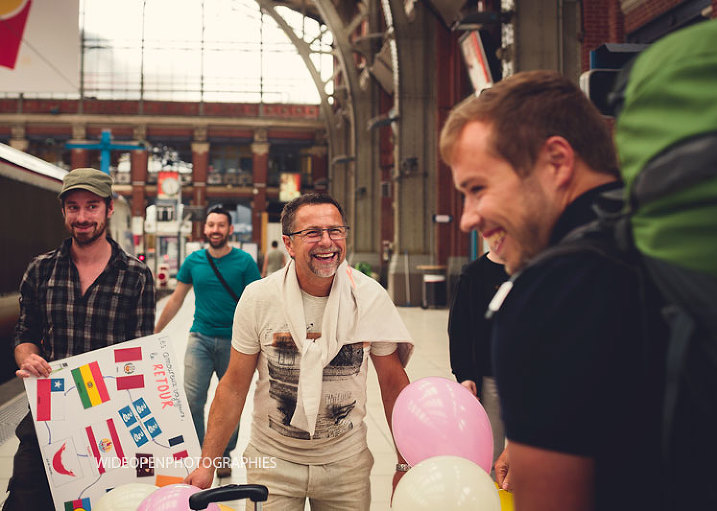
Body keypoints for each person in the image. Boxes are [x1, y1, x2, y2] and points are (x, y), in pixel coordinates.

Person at [440, 70, 665, 511]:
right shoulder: (664, 237)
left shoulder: (547, 295)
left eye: (478, 188)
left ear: (557, 162)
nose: (468, 217)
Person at [186, 193, 414, 511]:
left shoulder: (368, 297)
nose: (327, 242)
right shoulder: (259, 298)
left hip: (345, 465)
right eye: (313, 233)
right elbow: (234, 385)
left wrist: (405, 463)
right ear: (289, 244)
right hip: (272, 463)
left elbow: (393, 384)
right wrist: (207, 463)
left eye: (335, 231)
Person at [4, 167, 156, 510]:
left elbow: (139, 354)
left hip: (108, 425)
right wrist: (27, 357)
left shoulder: (135, 276)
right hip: (47, 417)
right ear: (63, 212)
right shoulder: (40, 270)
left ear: (109, 209)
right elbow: (25, 334)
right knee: (24, 502)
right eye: (73, 207)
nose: (82, 216)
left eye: (91, 206)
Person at [154, 205, 260, 477]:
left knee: (232, 401)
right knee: (191, 400)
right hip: (199, 338)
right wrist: (154, 332)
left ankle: (223, 453)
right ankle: (203, 456)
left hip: (236, 344)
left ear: (230, 229)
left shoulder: (244, 262)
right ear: (205, 229)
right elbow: (176, 298)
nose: (215, 230)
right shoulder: (194, 261)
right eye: (211, 225)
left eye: (220, 225)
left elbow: (257, 302)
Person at [447, 245, 507, 475]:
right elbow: (460, 329)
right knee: (490, 452)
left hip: (528, 378)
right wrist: (465, 374)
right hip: (490, 376)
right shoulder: (473, 274)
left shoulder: (532, 268)